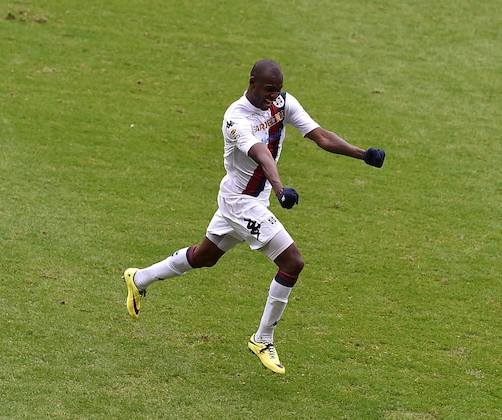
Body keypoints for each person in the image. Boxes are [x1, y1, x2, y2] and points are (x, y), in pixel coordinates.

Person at [123, 59, 385, 374]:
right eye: (267, 91)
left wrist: (362, 154)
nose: (273, 98)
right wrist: (280, 188)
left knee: (205, 256)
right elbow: (260, 153)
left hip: (250, 199)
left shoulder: (283, 104)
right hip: (240, 202)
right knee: (293, 262)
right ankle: (263, 338)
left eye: (277, 92)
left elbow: (320, 135)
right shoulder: (236, 118)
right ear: (252, 83)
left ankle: (139, 278)